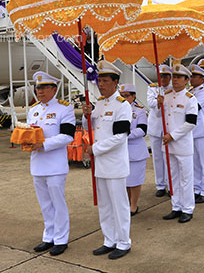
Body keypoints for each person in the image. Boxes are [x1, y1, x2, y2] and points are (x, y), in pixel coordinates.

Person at [83, 60, 132, 260]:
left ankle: (123, 242)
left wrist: (94, 149)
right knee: (104, 205)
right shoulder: (99, 105)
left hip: (114, 164)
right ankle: (109, 240)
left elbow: (120, 137)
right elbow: (92, 129)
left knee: (119, 205)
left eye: (104, 80)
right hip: (100, 165)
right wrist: (87, 116)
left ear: (115, 82)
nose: (100, 84)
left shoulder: (123, 106)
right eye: (99, 81)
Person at [24, 71, 76, 256]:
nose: (40, 91)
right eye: (38, 88)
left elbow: (68, 136)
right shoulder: (33, 110)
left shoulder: (64, 108)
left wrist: (43, 144)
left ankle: (61, 239)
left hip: (55, 165)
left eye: (44, 87)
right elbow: (30, 132)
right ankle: (49, 236)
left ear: (54, 89)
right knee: (45, 204)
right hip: (37, 164)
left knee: (57, 202)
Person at [160, 64, 198, 223]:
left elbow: (191, 123)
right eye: (173, 77)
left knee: (186, 178)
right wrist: (158, 104)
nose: (174, 80)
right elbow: (159, 116)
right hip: (168, 145)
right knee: (172, 177)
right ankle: (176, 206)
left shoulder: (190, 99)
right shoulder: (166, 96)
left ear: (186, 80)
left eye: (178, 77)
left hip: (181, 145)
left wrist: (172, 136)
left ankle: (187, 209)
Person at [119, 84, 148, 216]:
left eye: (127, 96)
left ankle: (134, 205)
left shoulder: (139, 111)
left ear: (133, 96)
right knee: (124, 181)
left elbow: (142, 130)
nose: (124, 98)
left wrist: (124, 136)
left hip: (135, 150)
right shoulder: (117, 109)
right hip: (120, 150)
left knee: (135, 180)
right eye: (122, 96)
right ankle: (126, 203)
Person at [188, 63, 204, 204]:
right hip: (193, 132)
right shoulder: (191, 91)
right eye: (191, 76)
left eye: (195, 76)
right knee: (195, 163)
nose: (192, 79)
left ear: (203, 79)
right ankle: (197, 188)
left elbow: (193, 107)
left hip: (203, 132)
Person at [147, 64, 173, 197]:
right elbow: (150, 103)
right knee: (157, 158)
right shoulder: (153, 88)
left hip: (168, 128)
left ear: (170, 77)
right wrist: (158, 102)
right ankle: (160, 185)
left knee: (168, 157)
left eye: (166, 76)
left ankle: (170, 184)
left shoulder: (174, 89)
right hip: (156, 127)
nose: (163, 78)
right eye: (161, 76)